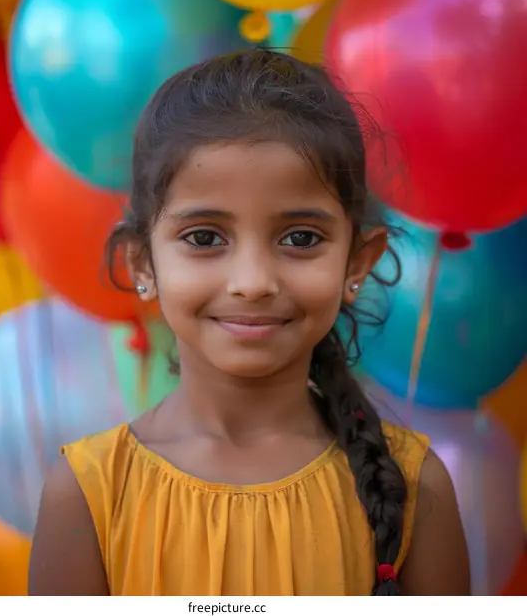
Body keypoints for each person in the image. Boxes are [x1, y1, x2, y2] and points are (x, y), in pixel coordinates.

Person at [28, 50, 470, 596]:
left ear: (357, 262)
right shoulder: (89, 495)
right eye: (205, 238)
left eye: (301, 238)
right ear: (143, 262)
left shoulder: (414, 489)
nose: (254, 280)